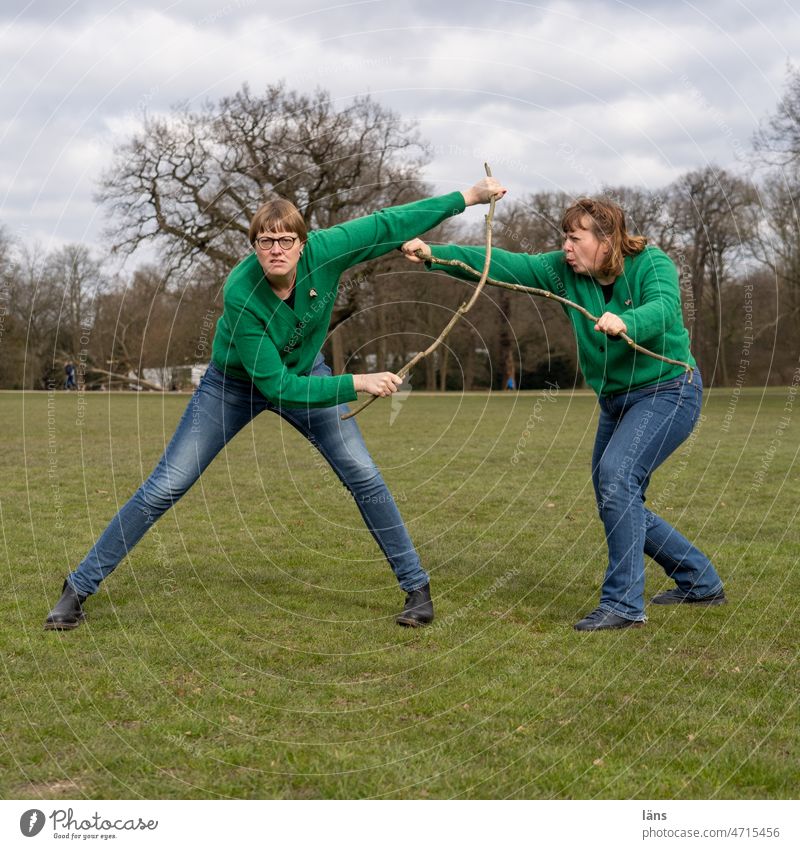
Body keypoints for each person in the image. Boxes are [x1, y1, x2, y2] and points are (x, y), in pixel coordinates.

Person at [44, 177, 507, 632]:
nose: (277, 249)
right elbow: (278, 388)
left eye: (286, 239)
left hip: (308, 375)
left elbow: (389, 222)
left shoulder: (328, 250)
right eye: (266, 241)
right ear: (255, 246)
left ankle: (417, 589)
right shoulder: (242, 295)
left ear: (303, 243)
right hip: (234, 386)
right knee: (167, 485)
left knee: (363, 474)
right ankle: (78, 589)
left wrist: (468, 196)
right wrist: (358, 382)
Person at [402, 197, 725, 631]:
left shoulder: (651, 262)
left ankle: (625, 606)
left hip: (670, 389)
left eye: (576, 238)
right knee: (615, 497)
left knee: (616, 479)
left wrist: (628, 321)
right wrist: (435, 254)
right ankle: (698, 579)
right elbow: (501, 264)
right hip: (616, 400)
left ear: (607, 240)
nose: (567, 247)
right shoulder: (562, 270)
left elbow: (664, 307)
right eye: (565, 238)